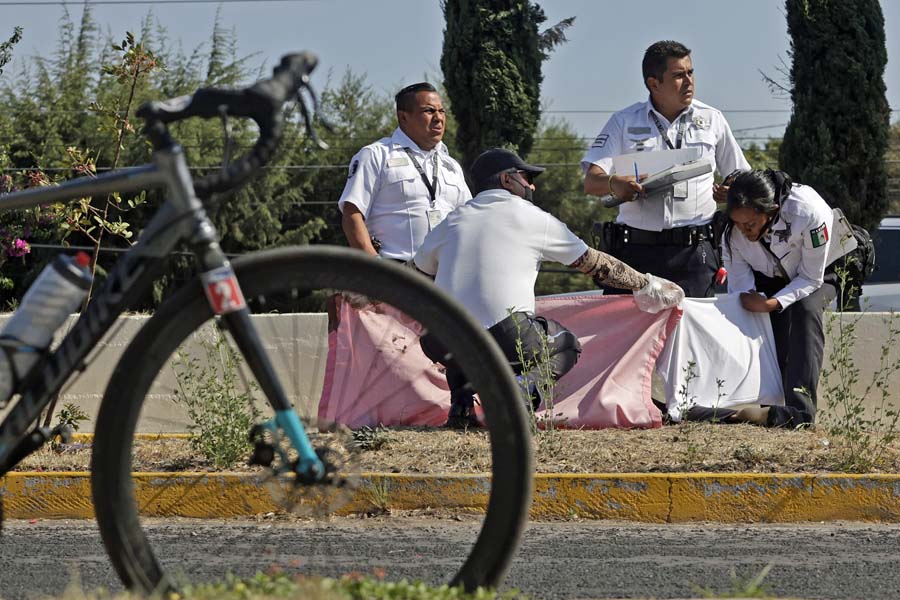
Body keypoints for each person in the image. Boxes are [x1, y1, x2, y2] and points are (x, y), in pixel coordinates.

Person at [414, 148, 685, 428]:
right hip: (504, 337)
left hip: (437, 339)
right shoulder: (531, 217)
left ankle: (461, 409)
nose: (532, 185)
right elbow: (594, 263)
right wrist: (646, 284)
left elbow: (417, 273)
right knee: (566, 345)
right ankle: (518, 397)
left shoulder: (450, 222)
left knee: (461, 328)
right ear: (507, 180)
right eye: (526, 177)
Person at [581, 40, 750, 298]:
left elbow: (741, 176)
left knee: (695, 335)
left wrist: (732, 189)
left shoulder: (713, 119)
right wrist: (617, 184)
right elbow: (591, 181)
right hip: (636, 253)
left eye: (690, 72)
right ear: (654, 83)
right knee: (633, 336)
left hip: (697, 253)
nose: (689, 81)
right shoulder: (624, 121)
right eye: (679, 75)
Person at [714, 169, 837, 428]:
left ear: (771, 210)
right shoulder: (731, 233)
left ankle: (800, 414)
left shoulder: (809, 212)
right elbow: (741, 286)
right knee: (758, 321)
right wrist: (756, 302)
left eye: (750, 225)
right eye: (738, 224)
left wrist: (774, 303)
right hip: (771, 276)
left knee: (804, 311)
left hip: (820, 272)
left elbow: (811, 278)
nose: (744, 232)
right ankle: (769, 407)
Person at [338, 82, 471, 261]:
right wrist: (378, 270)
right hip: (396, 275)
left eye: (442, 111)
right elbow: (352, 215)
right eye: (429, 111)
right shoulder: (376, 155)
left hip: (445, 276)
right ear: (403, 118)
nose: (438, 118)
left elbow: (468, 219)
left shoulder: (451, 165)